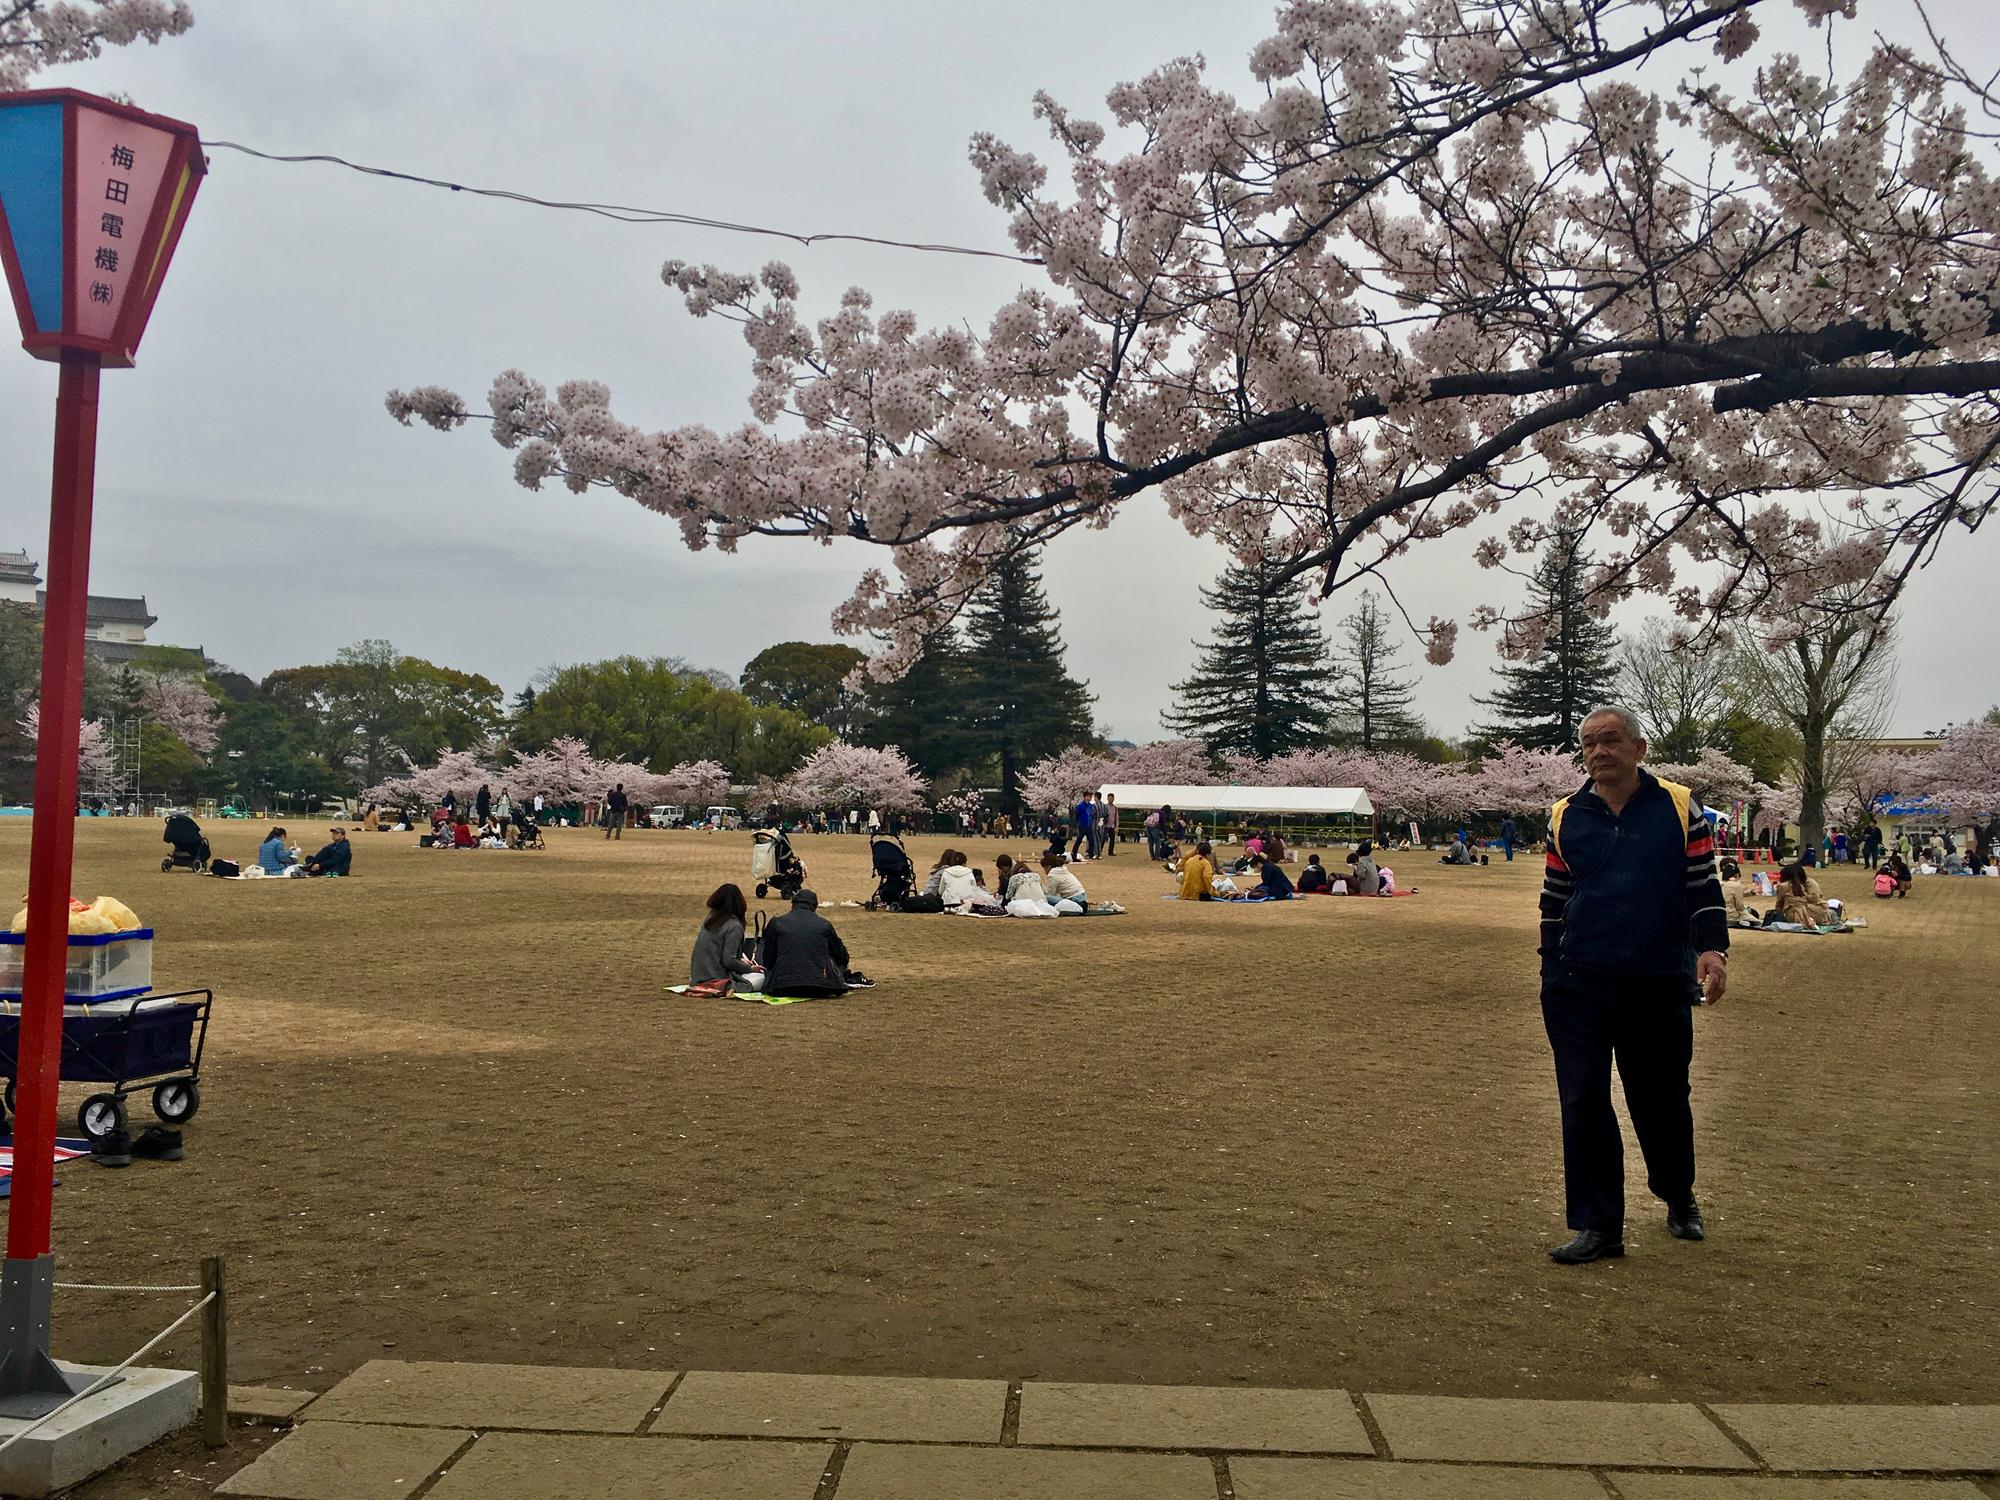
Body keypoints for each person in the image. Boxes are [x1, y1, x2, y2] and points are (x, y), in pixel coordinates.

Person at [1538, 705, 1727, 1267]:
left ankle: (1677, 1193)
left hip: (1657, 979)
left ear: (1639, 748)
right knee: (1583, 1101)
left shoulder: (1677, 804)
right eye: (1590, 743)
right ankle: (1599, 1227)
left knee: (1662, 1100)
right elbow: (1553, 900)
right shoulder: (1565, 815)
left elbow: (1702, 883)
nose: (1600, 751)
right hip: (1579, 982)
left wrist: (1713, 949)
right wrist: (1551, 968)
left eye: (1612, 740)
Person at [759, 889, 858, 996]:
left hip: (782, 986)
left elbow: (768, 959)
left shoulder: (777, 923)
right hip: (820, 987)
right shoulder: (824, 925)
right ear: (814, 907)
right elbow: (841, 956)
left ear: (793, 904)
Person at [691, 884, 764, 991]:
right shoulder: (734, 926)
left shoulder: (710, 919)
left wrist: (740, 962)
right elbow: (728, 961)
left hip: (698, 977)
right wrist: (749, 968)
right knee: (763, 979)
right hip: (717, 980)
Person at [1768, 861, 1831, 925]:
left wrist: (1798, 897)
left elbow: (1815, 899)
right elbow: (1780, 903)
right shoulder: (1786, 886)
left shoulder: (1810, 883)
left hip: (1813, 909)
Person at [1718, 857, 1755, 925]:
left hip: (1718, 913)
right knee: (1752, 914)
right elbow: (1739, 906)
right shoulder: (1735, 884)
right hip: (1730, 915)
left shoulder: (1716, 880)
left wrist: (1751, 892)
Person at [1071, 795, 1094, 861]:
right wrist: (1077, 823)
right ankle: (1074, 852)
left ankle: (1091, 854)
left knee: (1091, 840)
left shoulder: (1090, 806)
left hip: (1089, 825)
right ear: (1085, 797)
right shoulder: (1080, 806)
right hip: (1082, 825)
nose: (1089, 798)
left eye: (1090, 797)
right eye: (1088, 796)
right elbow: (1076, 815)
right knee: (1079, 839)